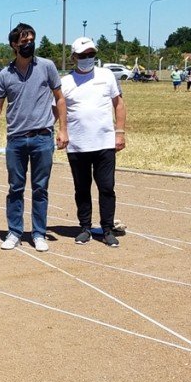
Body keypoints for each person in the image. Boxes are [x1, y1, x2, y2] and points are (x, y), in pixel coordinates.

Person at [0, 23, 68, 252]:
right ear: (14, 45)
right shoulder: (5, 75)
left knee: (40, 188)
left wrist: (63, 130)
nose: (29, 44)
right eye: (24, 42)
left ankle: (39, 233)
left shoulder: (47, 66)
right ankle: (14, 232)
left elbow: (60, 99)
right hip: (16, 140)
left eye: (31, 40)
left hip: (42, 137)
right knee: (15, 188)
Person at [61, 38, 127, 247]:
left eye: (91, 54)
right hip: (77, 145)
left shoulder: (107, 76)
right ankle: (85, 228)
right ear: (74, 58)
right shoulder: (65, 82)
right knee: (82, 189)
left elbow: (119, 105)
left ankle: (107, 229)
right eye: (82, 55)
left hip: (104, 144)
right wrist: (57, 132)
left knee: (106, 187)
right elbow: (58, 111)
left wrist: (120, 133)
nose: (88, 59)